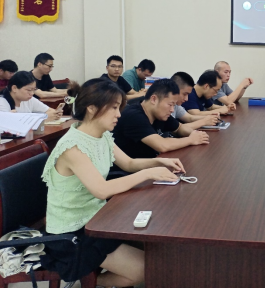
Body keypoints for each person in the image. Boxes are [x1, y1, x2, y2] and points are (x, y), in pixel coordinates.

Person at [40, 78, 185, 287]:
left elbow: (128, 163)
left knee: (155, 250)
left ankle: (92, 278)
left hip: (98, 218)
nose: (119, 114)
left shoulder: (102, 135)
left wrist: (159, 161)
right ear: (91, 108)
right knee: (146, 269)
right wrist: (149, 173)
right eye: (114, 108)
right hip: (71, 232)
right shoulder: (73, 147)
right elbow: (101, 190)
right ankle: (88, 281)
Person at [113, 79, 210, 161]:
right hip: (129, 172)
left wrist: (198, 135)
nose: (172, 110)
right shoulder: (134, 116)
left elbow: (179, 128)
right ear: (154, 99)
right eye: (170, 104)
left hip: (151, 163)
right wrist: (191, 139)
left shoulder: (160, 114)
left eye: (174, 105)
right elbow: (162, 145)